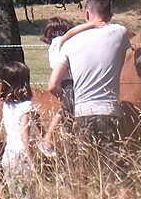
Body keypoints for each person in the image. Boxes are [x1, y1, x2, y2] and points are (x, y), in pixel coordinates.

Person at [47, 0, 134, 199]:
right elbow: (136, 41)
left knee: (79, 172)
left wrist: (69, 103)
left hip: (81, 113)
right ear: (111, 14)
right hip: (109, 112)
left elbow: (53, 85)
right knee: (118, 173)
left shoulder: (70, 43)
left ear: (87, 14)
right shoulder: (119, 32)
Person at [39, 17, 105, 157]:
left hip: (66, 82)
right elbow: (72, 34)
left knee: (68, 112)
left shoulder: (55, 45)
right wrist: (91, 25)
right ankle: (47, 140)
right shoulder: (60, 42)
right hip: (69, 82)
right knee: (65, 111)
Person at [0, 61, 37, 199]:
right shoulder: (26, 107)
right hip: (21, 156)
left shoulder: (7, 105)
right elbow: (24, 135)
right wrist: (33, 161)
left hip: (8, 155)